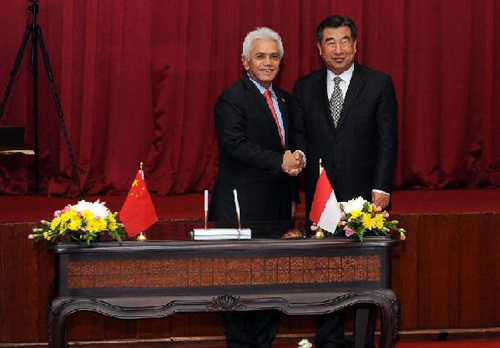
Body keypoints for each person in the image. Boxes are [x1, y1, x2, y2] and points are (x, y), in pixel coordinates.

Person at [291, 15, 398, 348]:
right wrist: (300, 162)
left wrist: (381, 187)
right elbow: (299, 135)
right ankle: (328, 340)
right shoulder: (304, 86)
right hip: (321, 198)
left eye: (344, 41)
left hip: (364, 198)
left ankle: (364, 340)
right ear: (319, 49)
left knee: (363, 277)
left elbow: (387, 140)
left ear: (356, 45)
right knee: (324, 274)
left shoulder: (379, 83)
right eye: (330, 42)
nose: (338, 49)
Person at [209, 27, 301, 348]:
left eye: (273, 56)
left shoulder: (286, 98)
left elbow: (291, 145)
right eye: (260, 56)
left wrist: (297, 159)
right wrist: (281, 161)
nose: (267, 62)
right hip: (241, 209)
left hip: (277, 208)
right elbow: (235, 145)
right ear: (245, 62)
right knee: (240, 286)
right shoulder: (231, 98)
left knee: (273, 282)